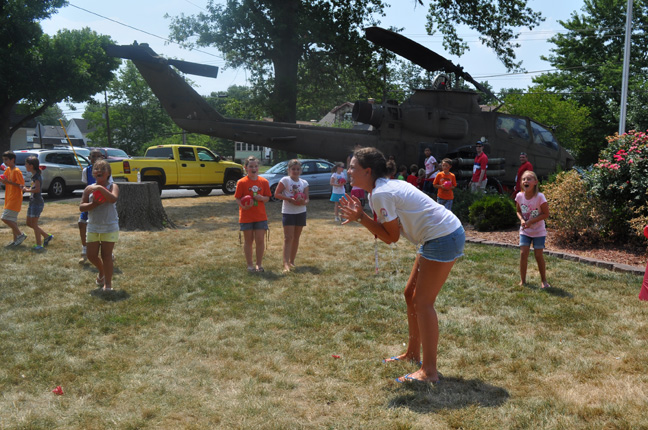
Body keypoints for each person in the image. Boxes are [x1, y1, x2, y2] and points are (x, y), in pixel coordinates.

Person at [340, 147, 465, 384]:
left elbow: (391, 237)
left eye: (352, 167)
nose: (348, 171)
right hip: (437, 235)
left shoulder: (380, 193)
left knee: (422, 302)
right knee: (411, 294)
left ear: (367, 171)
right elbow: (391, 231)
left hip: (443, 236)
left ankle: (429, 371)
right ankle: (412, 354)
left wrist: (362, 218)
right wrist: (365, 218)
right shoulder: (379, 190)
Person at [79, 159, 120, 291]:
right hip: (93, 226)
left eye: (103, 169)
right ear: (92, 173)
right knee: (91, 255)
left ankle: (107, 284)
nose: (99, 171)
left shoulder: (113, 186)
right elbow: (82, 207)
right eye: (96, 169)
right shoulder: (88, 188)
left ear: (108, 173)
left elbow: (113, 198)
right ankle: (102, 272)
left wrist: (99, 188)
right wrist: (94, 204)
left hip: (109, 225)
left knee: (106, 255)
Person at [515, 170, 551, 289]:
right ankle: (523, 281)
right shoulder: (519, 196)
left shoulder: (540, 197)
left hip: (539, 232)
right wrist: (522, 220)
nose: (526, 181)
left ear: (535, 182)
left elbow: (546, 214)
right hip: (525, 231)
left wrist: (531, 221)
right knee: (523, 253)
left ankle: (544, 281)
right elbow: (518, 211)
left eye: (529, 179)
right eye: (524, 179)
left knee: (538, 255)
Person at [235, 156, 271, 272]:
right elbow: (238, 198)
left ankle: (259, 264)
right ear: (246, 168)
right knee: (248, 241)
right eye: (251, 166)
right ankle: (250, 265)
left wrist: (261, 198)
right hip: (246, 216)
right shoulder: (241, 182)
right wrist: (243, 206)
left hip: (260, 216)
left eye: (256, 166)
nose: (254, 168)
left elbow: (267, 198)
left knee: (260, 240)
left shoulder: (264, 182)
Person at [274, 159, 309, 273]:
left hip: (301, 212)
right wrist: (290, 199)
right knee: (288, 238)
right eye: (293, 169)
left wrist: (303, 202)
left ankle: (292, 261)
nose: (295, 171)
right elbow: (276, 194)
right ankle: (285, 264)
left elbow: (307, 198)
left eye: (298, 169)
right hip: (288, 212)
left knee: (296, 238)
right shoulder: (285, 180)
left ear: (301, 171)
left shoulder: (304, 182)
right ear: (288, 170)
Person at [78, 149, 105, 262]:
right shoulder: (86, 171)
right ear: (89, 158)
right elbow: (86, 187)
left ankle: (108, 252)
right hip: (90, 201)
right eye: (94, 156)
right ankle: (85, 249)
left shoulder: (106, 171)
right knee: (81, 223)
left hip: (101, 201)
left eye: (99, 156)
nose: (96, 159)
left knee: (101, 228)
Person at [21, 156, 53, 250]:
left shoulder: (36, 177)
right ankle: (46, 236)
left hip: (37, 203)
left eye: (26, 164)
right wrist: (27, 189)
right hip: (33, 202)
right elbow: (34, 188)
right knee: (29, 223)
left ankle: (39, 245)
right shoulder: (33, 175)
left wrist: (26, 190)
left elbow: (38, 189)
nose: (25, 166)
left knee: (34, 224)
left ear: (31, 166)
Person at [1, 151, 26, 247]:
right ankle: (16, 241)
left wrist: (8, 182)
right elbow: (6, 180)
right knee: (12, 220)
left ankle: (21, 235)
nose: (5, 162)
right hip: (9, 197)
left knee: (5, 218)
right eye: (3, 160)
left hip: (15, 198)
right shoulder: (8, 170)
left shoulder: (16, 171)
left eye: (6, 159)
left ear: (13, 160)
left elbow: (21, 185)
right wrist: (3, 180)